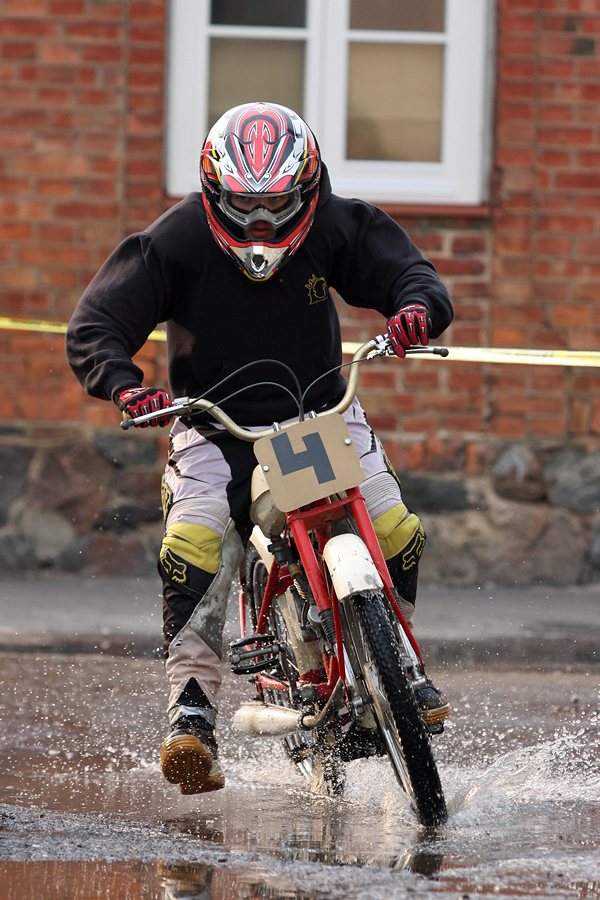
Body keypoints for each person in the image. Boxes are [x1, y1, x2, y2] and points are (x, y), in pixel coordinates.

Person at [65, 101, 454, 796]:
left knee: (395, 528)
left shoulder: (335, 223)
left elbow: (408, 273)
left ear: (308, 188)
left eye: (276, 204)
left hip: (315, 417)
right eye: (244, 206)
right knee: (195, 547)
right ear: (214, 191)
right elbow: (97, 324)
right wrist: (125, 386)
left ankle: (397, 664)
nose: (260, 225)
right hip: (214, 427)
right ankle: (191, 711)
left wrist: (416, 310)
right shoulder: (174, 240)